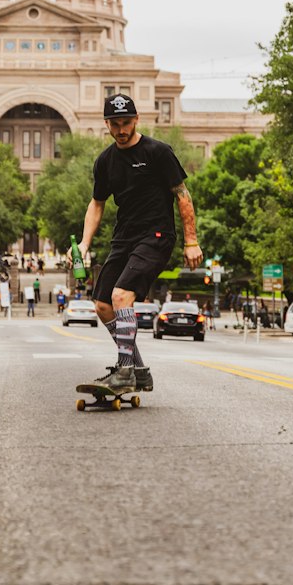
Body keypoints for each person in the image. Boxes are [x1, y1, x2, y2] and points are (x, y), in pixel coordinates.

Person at [77, 94, 202, 395]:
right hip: (124, 237)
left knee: (122, 295)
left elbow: (182, 196)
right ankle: (139, 371)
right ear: (107, 124)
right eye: (115, 124)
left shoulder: (158, 152)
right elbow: (97, 204)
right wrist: (84, 243)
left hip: (156, 235)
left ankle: (124, 372)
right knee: (104, 304)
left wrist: (191, 241)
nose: (121, 129)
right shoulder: (105, 161)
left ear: (136, 120)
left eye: (126, 123)